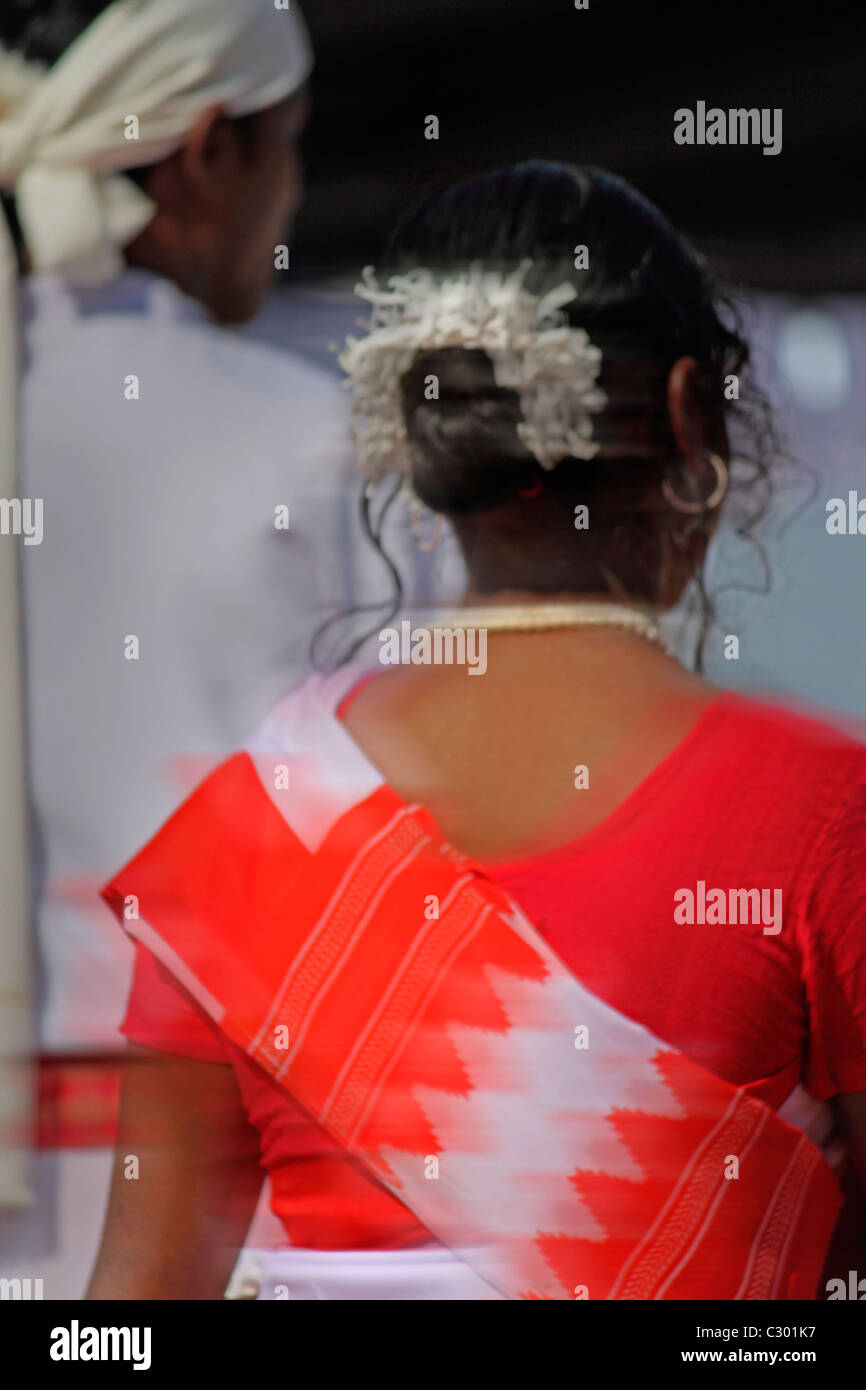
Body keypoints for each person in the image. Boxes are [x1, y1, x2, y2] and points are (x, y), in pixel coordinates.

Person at [89, 162, 866, 1301]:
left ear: (413, 432)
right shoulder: (820, 810)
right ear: (690, 408)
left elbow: (124, 1318)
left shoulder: (251, 835)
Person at [0, 0, 362, 1293]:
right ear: (208, 151)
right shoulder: (314, 442)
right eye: (291, 146)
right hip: (210, 1212)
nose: (293, 196)